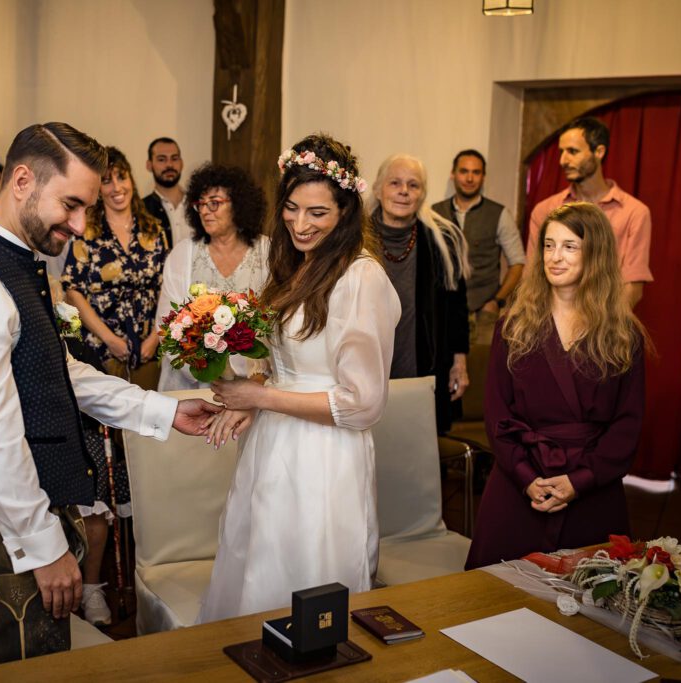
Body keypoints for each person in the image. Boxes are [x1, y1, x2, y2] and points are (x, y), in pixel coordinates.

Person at [0, 122, 219, 666]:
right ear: (21, 181)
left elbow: (62, 374)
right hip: (2, 532)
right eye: (72, 205)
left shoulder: (15, 265)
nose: (82, 225)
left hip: (24, 518)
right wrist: (44, 545)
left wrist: (165, 410)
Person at [198, 134, 400, 622]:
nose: (300, 224)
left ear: (345, 214)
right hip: (274, 445)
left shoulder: (359, 278)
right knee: (259, 569)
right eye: (291, 208)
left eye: (318, 213)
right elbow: (285, 360)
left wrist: (259, 396)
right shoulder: (295, 265)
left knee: (308, 582)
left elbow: (361, 405)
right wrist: (252, 396)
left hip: (324, 457)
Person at [465, 203, 647, 569]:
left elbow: (627, 425)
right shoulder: (513, 325)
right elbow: (497, 414)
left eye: (569, 246)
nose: (555, 257)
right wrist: (526, 478)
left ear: (594, 253)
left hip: (592, 486)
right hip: (520, 483)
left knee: (593, 606)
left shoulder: (624, 334)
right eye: (549, 246)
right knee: (491, 600)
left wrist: (579, 481)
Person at [370, 154, 471, 434]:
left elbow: (457, 308)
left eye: (413, 185)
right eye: (395, 183)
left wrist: (459, 363)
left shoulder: (443, 241)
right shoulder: (354, 239)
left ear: (422, 194)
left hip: (424, 365)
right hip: (366, 368)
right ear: (378, 189)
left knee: (418, 455)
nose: (404, 191)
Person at [61, 146, 168, 390]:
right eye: (107, 181)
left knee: (148, 423)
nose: (117, 187)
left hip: (147, 348)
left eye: (122, 177)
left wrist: (154, 338)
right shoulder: (86, 231)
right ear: (98, 189)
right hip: (101, 348)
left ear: (132, 179)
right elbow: (72, 290)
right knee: (109, 425)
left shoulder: (154, 230)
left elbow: (166, 289)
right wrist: (110, 340)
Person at [156, 163, 270, 391]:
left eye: (214, 203)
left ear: (238, 204)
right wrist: (208, 375)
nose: (205, 211)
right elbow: (166, 326)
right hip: (191, 385)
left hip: (254, 385)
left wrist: (259, 376)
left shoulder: (267, 251)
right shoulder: (183, 253)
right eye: (200, 204)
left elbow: (276, 323)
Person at [527, 116, 652, 308]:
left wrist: (599, 329)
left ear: (599, 151)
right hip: (551, 325)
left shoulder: (634, 212)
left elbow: (632, 287)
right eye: (561, 152)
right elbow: (532, 276)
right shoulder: (545, 210)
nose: (563, 160)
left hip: (605, 326)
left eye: (573, 151)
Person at [432, 149, 524, 345]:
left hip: (483, 315)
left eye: (476, 172)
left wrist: (496, 302)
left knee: (481, 372)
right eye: (464, 171)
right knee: (440, 373)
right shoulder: (434, 213)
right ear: (453, 174)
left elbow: (517, 264)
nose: (470, 178)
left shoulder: (499, 214)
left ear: (483, 177)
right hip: (441, 312)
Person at [142, 137, 187, 249]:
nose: (169, 165)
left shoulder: (199, 206)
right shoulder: (141, 210)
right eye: (162, 159)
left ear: (181, 163)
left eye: (174, 158)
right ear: (149, 165)